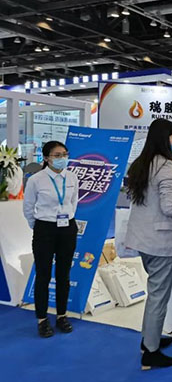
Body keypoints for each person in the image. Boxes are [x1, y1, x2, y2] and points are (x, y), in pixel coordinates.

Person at [125, 119, 172, 370]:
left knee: (155, 292)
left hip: (144, 238)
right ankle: (151, 352)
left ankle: (150, 339)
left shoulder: (142, 163)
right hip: (161, 240)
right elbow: (170, 208)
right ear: (164, 139)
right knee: (159, 296)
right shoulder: (166, 167)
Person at [23, 140, 79, 338]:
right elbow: (28, 207)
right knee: (43, 275)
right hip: (44, 229)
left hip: (67, 228)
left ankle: (62, 315)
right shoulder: (36, 180)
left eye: (65, 154)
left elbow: (74, 201)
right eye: (57, 155)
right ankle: (42, 319)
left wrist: (68, 218)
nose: (62, 158)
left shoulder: (72, 177)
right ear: (46, 158)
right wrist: (38, 225)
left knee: (64, 274)